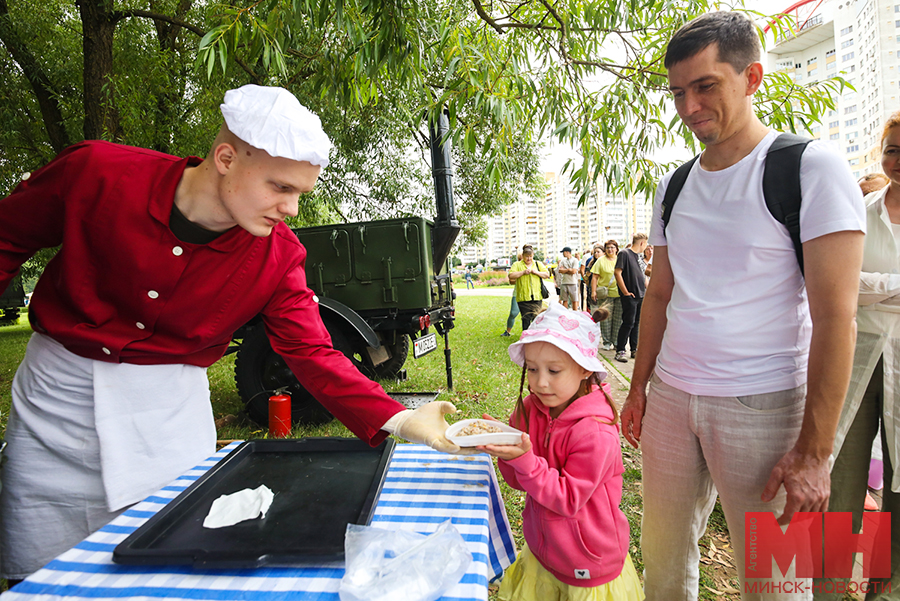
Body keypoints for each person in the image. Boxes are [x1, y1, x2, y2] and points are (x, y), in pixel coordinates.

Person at [0, 84, 466, 581]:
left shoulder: (280, 256)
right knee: (42, 566)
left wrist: (399, 418)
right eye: (280, 187)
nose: (292, 208)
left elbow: (310, 351)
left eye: (300, 194)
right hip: (55, 404)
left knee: (169, 564)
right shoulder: (95, 172)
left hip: (168, 418)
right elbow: (8, 237)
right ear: (225, 157)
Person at [618, 12, 866, 600]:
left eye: (706, 86)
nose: (688, 106)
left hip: (765, 406)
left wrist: (814, 451)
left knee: (776, 581)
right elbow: (660, 292)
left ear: (751, 77)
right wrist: (638, 387)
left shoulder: (809, 168)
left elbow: (838, 318)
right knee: (663, 563)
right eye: (678, 92)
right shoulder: (674, 185)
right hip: (673, 402)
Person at [477, 303, 643, 601]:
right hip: (544, 550)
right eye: (531, 369)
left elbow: (567, 500)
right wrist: (507, 448)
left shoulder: (595, 431)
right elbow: (519, 481)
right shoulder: (530, 409)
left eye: (554, 370)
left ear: (583, 369)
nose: (540, 382)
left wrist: (524, 459)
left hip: (586, 559)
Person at [815, 113, 900, 600]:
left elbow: (857, 288)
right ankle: (821, 590)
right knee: (837, 485)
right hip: (854, 362)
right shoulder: (858, 214)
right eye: (891, 149)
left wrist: (869, 289)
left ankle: (884, 592)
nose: (898, 160)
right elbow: (835, 289)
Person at [613, 233, 648, 363]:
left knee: (637, 323)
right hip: (630, 295)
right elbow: (617, 272)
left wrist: (648, 290)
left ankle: (634, 349)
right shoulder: (624, 253)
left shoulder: (639, 256)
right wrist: (625, 292)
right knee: (628, 322)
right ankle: (620, 350)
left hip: (641, 294)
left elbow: (642, 275)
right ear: (642, 243)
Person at [508, 245, 550, 330]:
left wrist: (537, 272)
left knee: (537, 318)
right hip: (523, 298)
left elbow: (546, 274)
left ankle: (535, 336)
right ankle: (526, 337)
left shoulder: (538, 264)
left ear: (533, 255)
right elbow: (511, 275)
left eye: (530, 256)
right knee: (526, 319)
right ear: (522, 256)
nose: (529, 259)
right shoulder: (517, 265)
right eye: (527, 257)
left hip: (537, 296)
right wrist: (523, 272)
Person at [590, 239, 621, 351]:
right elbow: (595, 277)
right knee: (606, 319)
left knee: (618, 319)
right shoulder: (601, 261)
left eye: (612, 247)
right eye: (608, 248)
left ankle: (616, 341)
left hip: (619, 293)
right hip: (605, 294)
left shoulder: (620, 259)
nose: (610, 250)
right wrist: (593, 291)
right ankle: (607, 342)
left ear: (617, 249)